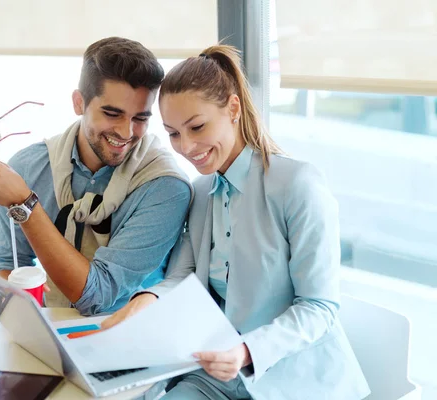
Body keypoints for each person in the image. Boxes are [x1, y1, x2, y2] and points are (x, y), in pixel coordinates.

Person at [102, 45, 370, 399]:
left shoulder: (298, 184)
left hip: (293, 380)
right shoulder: (199, 191)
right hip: (215, 374)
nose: (186, 146)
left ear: (233, 108)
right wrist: (146, 298)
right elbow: (182, 277)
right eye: (173, 133)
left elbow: (318, 307)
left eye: (197, 126)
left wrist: (246, 351)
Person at [0, 37, 192, 315]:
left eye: (140, 119)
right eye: (112, 114)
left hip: (129, 338)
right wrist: (21, 315)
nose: (126, 132)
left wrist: (24, 204)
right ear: (79, 102)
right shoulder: (28, 168)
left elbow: (97, 295)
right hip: (47, 328)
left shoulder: (166, 187)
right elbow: (7, 264)